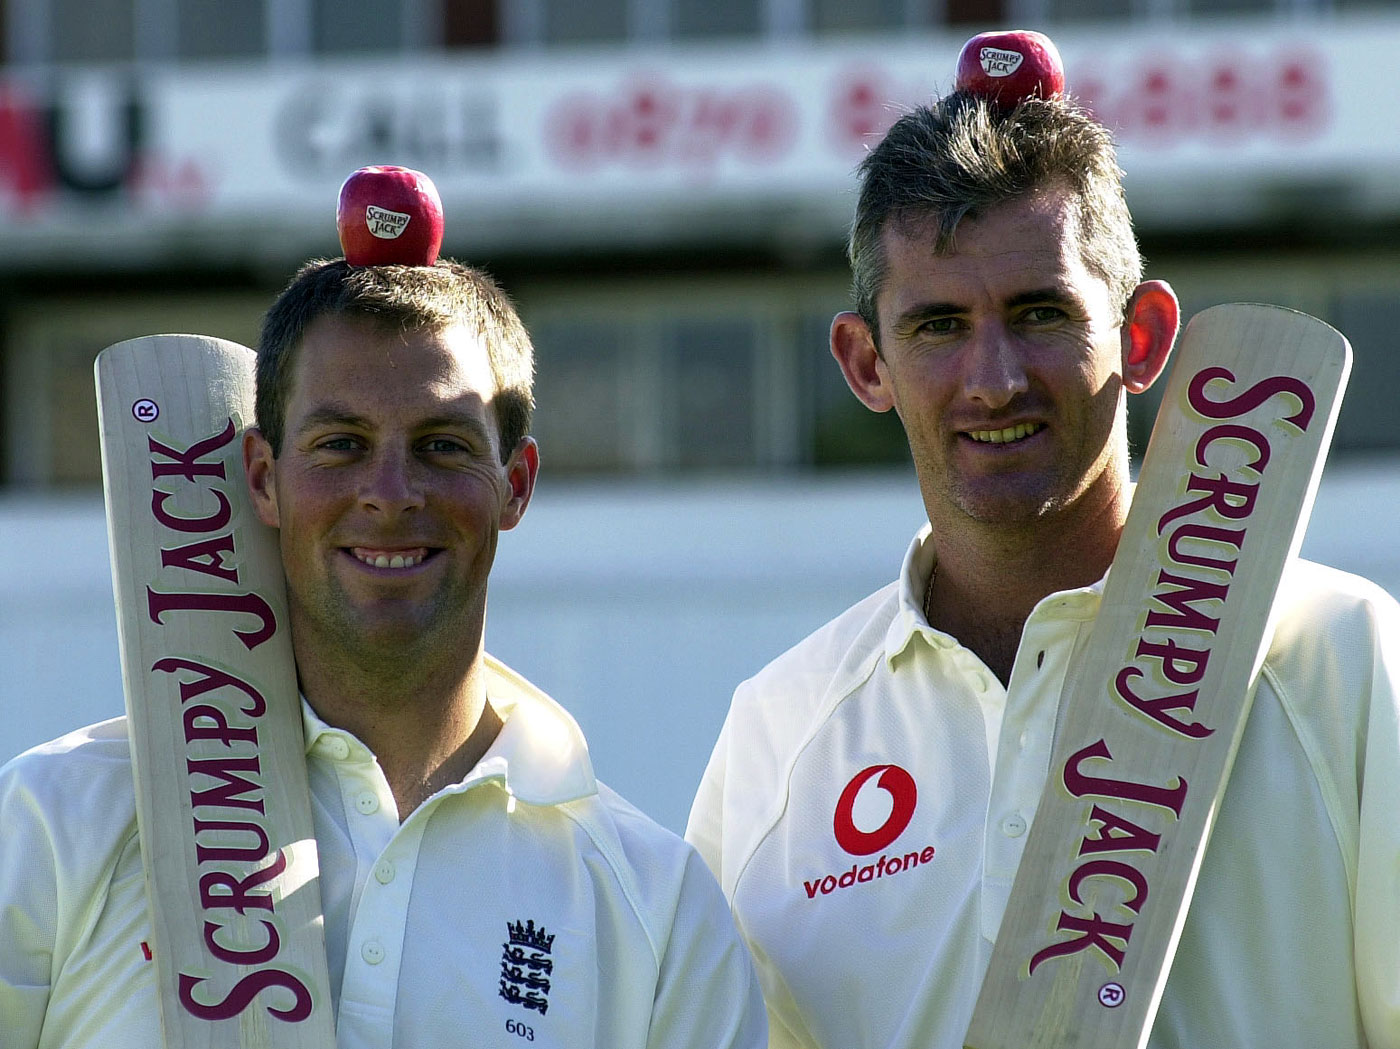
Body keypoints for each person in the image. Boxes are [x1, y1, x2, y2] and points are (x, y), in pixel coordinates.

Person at [685, 89, 1400, 1048]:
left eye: (1040, 313)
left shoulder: (1342, 661)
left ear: (1140, 337)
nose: (996, 379)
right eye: (938, 325)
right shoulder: (780, 730)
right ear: (866, 363)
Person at [1, 257, 767, 1048]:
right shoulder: (57, 821)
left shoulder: (655, 908)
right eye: (341, 444)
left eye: (441, 445)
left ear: (517, 483)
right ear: (263, 477)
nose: (392, 492)